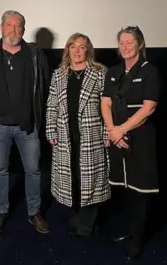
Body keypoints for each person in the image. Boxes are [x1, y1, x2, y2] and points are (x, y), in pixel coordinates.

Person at [0, 10, 50, 234]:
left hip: (28, 125)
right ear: (1, 27)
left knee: (34, 171)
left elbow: (44, 90)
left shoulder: (36, 55)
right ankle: (1, 211)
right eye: (9, 25)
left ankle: (34, 213)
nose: (13, 30)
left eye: (18, 26)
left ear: (24, 30)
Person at [101, 26, 161, 259]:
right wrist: (112, 131)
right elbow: (105, 102)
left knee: (139, 190)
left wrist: (121, 130)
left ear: (140, 44)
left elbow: (149, 107)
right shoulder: (114, 71)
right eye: (121, 43)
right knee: (124, 188)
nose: (125, 47)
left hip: (140, 138)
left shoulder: (149, 71)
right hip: (117, 137)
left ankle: (137, 239)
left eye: (129, 42)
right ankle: (131, 230)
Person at [45, 33, 110, 237]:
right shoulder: (59, 74)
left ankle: (87, 222)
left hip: (92, 135)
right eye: (73, 46)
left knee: (91, 178)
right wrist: (50, 129)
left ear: (88, 50)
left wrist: (108, 132)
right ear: (67, 50)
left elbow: (108, 107)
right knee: (72, 177)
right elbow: (52, 105)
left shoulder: (100, 74)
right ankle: (79, 216)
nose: (77, 51)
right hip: (66, 135)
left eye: (81, 47)